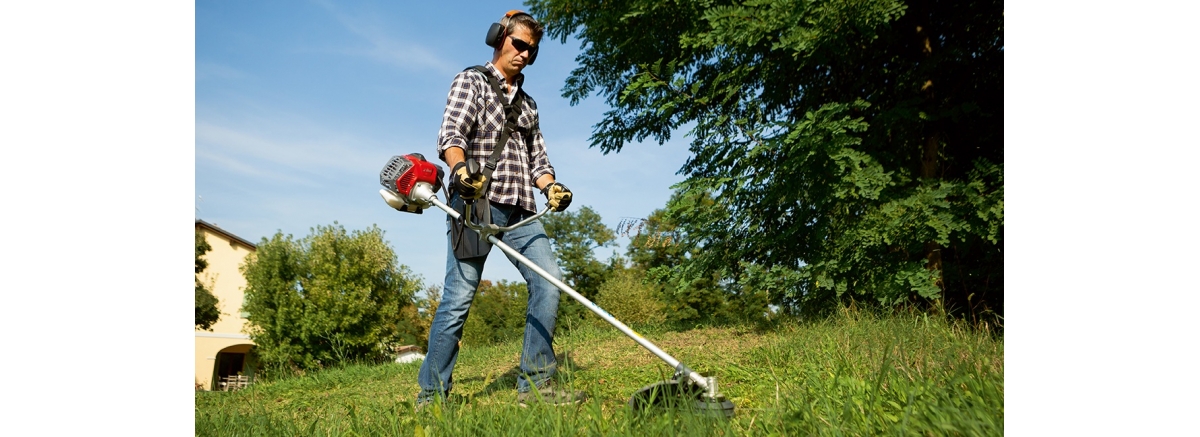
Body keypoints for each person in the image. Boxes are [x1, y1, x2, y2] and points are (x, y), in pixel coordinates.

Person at [416, 10, 586, 408]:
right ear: (499, 38)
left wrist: (552, 189)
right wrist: (460, 170)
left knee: (549, 282)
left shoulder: (528, 105)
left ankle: (537, 386)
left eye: (533, 50)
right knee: (459, 298)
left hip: (522, 210)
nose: (525, 54)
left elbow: (539, 162)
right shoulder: (471, 81)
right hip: (476, 205)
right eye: (519, 44)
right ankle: (432, 395)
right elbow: (450, 134)